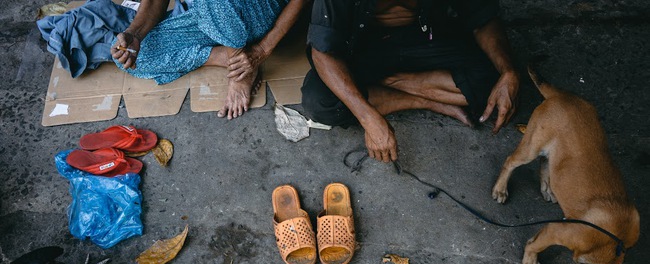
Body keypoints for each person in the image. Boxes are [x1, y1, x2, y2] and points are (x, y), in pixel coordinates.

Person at [301, 0, 520, 162]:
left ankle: (392, 82)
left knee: (497, 87)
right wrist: (368, 118)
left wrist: (508, 71)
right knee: (319, 101)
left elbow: (483, 19)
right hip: (365, 45)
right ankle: (428, 101)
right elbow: (322, 52)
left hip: (428, 37)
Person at [112, 0, 309, 119]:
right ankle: (227, 56)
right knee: (136, 56)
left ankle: (241, 70)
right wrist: (135, 34)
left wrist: (263, 49)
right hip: (205, 14)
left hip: (262, 12)